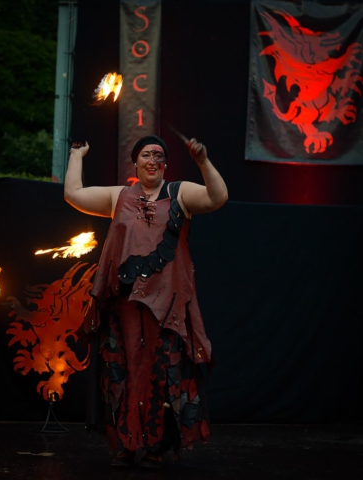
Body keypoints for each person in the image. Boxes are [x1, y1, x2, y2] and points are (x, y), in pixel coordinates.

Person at [64, 135, 228, 468]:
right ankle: (124, 446)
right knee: (121, 374)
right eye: (145, 155)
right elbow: (73, 194)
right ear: (135, 163)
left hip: (165, 307)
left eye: (159, 156)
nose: (152, 160)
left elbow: (217, 197)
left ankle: (155, 447)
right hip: (123, 305)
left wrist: (202, 161)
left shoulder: (179, 193)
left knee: (160, 375)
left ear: (165, 164)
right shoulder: (119, 195)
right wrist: (77, 155)